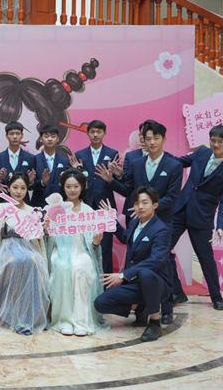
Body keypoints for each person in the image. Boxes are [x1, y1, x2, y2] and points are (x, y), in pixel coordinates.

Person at [96, 120, 182, 324]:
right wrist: (111, 181)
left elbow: (172, 197)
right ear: (142, 139)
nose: (152, 142)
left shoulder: (174, 165)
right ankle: (141, 306)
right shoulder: (135, 163)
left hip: (161, 220)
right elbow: (128, 190)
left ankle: (166, 309)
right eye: (148, 138)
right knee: (136, 258)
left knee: (163, 262)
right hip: (137, 219)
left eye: (156, 138)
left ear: (164, 139)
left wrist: (149, 209)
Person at [169, 125, 223, 311]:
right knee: (162, 250)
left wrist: (220, 226)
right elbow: (178, 162)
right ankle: (177, 292)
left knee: (206, 259)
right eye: (213, 140)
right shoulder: (201, 153)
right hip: (180, 209)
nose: (215, 144)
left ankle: (217, 297)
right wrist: (158, 154)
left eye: (220, 141)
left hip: (202, 218)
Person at [94, 186, 172, 342]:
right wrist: (111, 219)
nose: (140, 206)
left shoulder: (161, 229)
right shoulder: (134, 223)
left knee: (146, 273)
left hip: (156, 284)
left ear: (155, 205)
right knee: (100, 303)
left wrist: (123, 275)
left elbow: (155, 260)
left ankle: (155, 322)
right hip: (135, 283)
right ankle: (141, 307)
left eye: (145, 202)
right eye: (137, 203)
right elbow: (125, 237)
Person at [0, 171, 50, 335]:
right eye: (15, 187)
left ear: (27, 189)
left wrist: (43, 229)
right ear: (9, 188)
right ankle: (7, 315)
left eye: (23, 188)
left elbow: (37, 239)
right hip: (5, 247)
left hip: (27, 247)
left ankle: (29, 315)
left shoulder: (32, 211)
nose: (19, 192)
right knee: (13, 261)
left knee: (33, 260)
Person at [47, 168, 107, 336]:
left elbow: (93, 245)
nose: (72, 190)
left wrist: (96, 242)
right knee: (63, 268)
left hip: (81, 252)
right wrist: (47, 230)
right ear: (63, 187)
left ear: (82, 187)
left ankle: (81, 321)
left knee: (79, 268)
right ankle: (64, 320)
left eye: (76, 186)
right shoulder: (55, 210)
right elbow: (50, 239)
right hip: (60, 252)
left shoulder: (89, 212)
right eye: (68, 186)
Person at [72, 120, 118, 274]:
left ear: (105, 133)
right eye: (92, 132)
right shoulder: (80, 154)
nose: (96, 135)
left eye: (99, 132)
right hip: (86, 203)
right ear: (87, 133)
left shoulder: (112, 153)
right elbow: (77, 180)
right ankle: (88, 277)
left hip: (105, 204)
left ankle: (105, 281)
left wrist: (114, 175)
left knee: (106, 245)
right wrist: (77, 171)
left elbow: (117, 180)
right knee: (86, 243)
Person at [0, 122, 36, 203]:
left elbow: (33, 185)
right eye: (11, 134)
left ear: (22, 135)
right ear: (6, 136)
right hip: (3, 202)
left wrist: (30, 182)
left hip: (23, 203)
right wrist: (0, 179)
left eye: (18, 133)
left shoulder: (30, 158)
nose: (15, 137)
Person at [31, 125, 71, 208]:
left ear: (57, 138)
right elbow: (30, 185)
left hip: (60, 205)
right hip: (39, 204)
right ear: (41, 139)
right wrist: (42, 183)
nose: (50, 139)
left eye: (53, 136)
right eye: (46, 136)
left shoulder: (65, 161)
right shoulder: (34, 159)